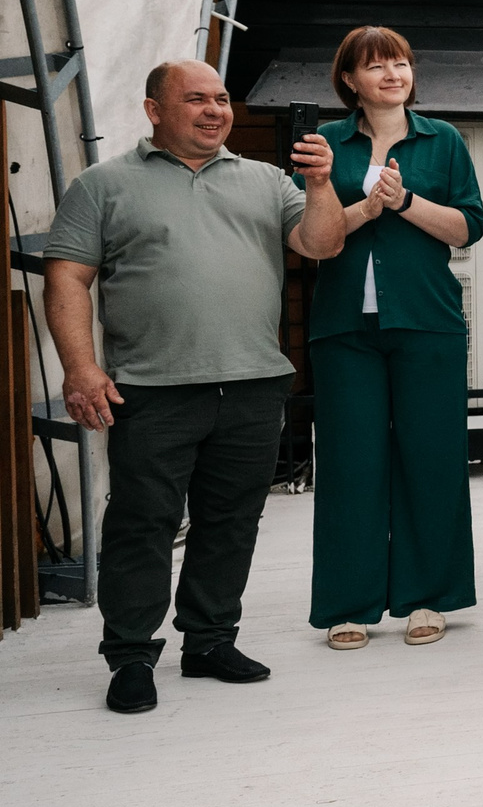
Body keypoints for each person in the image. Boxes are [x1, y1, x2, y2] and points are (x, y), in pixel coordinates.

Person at [45, 60, 348, 713]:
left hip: (252, 383)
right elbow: (68, 277)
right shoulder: (103, 185)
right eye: (196, 100)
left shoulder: (268, 180)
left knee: (231, 522)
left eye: (220, 100)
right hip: (151, 388)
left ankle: (208, 641)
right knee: (142, 523)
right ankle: (130, 654)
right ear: (154, 109)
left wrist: (320, 182)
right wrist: (80, 366)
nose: (215, 110)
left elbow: (322, 244)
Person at [309, 27, 483, 649]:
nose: (393, 73)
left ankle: (428, 597)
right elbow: (313, 236)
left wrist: (405, 199)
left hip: (427, 321)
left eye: (402, 63)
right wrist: (363, 209)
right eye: (376, 65)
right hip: (343, 327)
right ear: (350, 80)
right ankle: (348, 604)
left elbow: (468, 229)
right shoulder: (325, 145)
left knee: (432, 459)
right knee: (349, 463)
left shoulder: (442, 142)